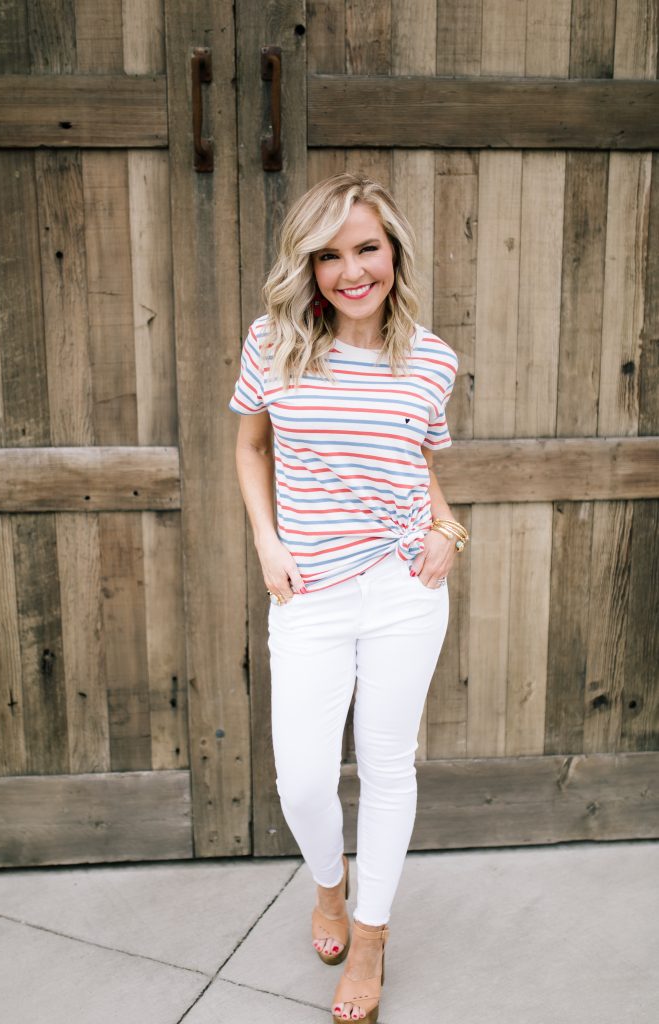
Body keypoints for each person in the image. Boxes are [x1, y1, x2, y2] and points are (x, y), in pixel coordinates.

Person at [228, 173, 467, 1023]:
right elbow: (250, 447)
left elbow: (413, 463)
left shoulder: (430, 359)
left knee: (388, 764)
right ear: (308, 265)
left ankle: (369, 935)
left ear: (394, 253)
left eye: (366, 248)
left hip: (405, 588)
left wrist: (448, 529)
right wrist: (268, 542)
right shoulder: (274, 342)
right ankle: (328, 888)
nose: (349, 271)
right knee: (301, 780)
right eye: (328, 255)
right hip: (311, 592)